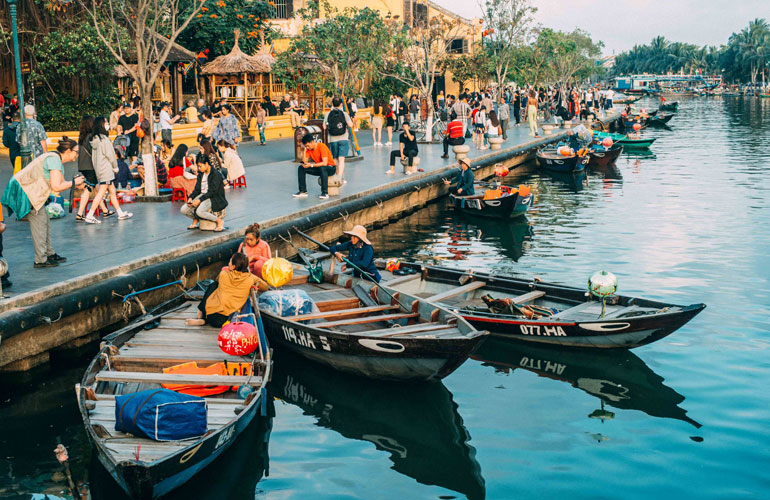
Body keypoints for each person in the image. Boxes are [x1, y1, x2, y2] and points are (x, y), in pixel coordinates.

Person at [1, 137, 85, 268]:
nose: (77, 155)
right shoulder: (54, 160)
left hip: (31, 192)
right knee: (39, 223)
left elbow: (61, 183)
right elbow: (57, 186)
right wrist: (74, 183)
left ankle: (49, 253)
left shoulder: (55, 158)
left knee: (44, 221)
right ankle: (40, 259)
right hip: (27, 192)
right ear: (68, 151)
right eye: (76, 152)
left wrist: (74, 183)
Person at [187, 253, 269, 327]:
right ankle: (204, 320)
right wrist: (254, 284)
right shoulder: (251, 278)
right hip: (225, 319)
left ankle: (201, 314)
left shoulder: (223, 274)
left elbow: (217, 280)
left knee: (214, 285)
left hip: (211, 315)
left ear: (233, 266)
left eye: (230, 262)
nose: (228, 263)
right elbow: (265, 287)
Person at [85, 117, 133, 223]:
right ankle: (90, 215)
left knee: (112, 191)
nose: (108, 124)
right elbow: (111, 155)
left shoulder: (94, 140)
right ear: (102, 125)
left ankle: (120, 213)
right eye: (106, 122)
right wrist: (115, 167)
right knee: (101, 193)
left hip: (100, 169)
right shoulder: (104, 140)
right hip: (106, 169)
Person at [181, 153, 227, 232]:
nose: (199, 168)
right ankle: (196, 218)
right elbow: (197, 189)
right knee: (184, 210)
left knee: (200, 211)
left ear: (206, 164)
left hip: (213, 197)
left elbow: (212, 192)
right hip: (202, 195)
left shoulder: (216, 174)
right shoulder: (201, 174)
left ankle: (219, 221)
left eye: (200, 166)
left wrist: (199, 200)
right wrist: (191, 198)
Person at [75, 115, 107, 222]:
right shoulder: (90, 137)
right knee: (88, 189)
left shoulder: (82, 137)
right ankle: (79, 214)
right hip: (90, 166)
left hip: (83, 166)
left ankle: (105, 209)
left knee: (96, 187)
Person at [294, 134, 335, 200]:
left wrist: (311, 165)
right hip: (320, 168)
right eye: (305, 146)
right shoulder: (308, 149)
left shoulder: (322, 146)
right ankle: (303, 191)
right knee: (301, 168)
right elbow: (304, 161)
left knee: (322, 168)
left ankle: (325, 193)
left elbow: (324, 163)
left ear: (312, 142)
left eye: (308, 146)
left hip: (330, 168)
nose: (307, 147)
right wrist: (305, 151)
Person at [323, 97, 353, 182]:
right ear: (341, 104)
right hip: (343, 138)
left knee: (335, 158)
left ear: (332, 104)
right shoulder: (344, 114)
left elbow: (324, 127)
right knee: (341, 159)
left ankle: (337, 175)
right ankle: (340, 177)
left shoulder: (328, 114)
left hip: (332, 139)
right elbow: (350, 125)